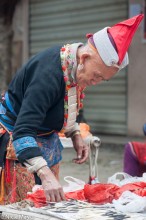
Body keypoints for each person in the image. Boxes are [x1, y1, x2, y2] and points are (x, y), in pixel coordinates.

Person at [0, 14, 144, 204]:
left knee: (48, 202)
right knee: (25, 207)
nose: (96, 82)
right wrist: (45, 174)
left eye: (103, 79)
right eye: (97, 76)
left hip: (46, 141)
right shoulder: (48, 76)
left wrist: (74, 132)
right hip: (19, 140)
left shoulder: (74, 66)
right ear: (84, 57)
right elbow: (23, 131)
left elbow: (62, 103)